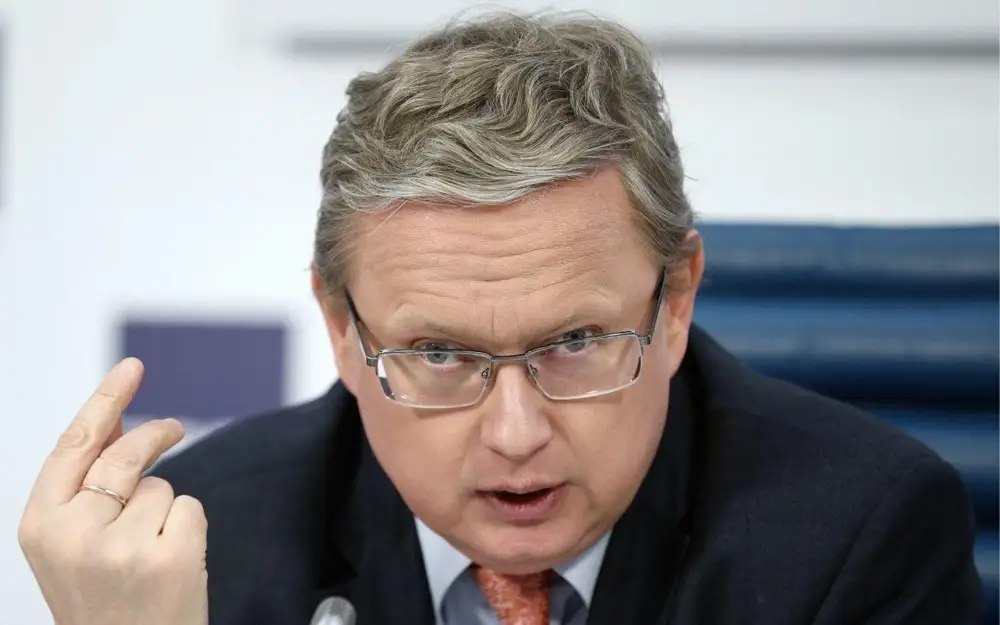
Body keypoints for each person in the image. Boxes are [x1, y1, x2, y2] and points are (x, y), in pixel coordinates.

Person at [18, 11, 983, 625]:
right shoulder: (204, 549)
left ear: (677, 300)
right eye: (439, 351)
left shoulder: (861, 535)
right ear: (343, 329)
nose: (516, 434)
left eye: (576, 342)